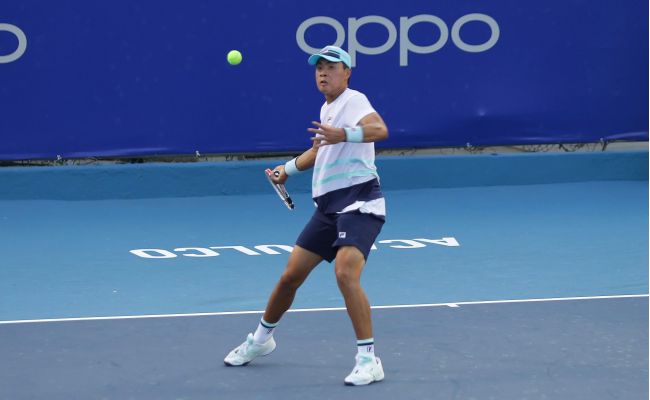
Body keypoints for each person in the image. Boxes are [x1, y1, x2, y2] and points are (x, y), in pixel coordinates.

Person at [224, 45, 389, 386]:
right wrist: (286, 170)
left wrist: (344, 134)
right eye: (319, 67)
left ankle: (368, 359)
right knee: (290, 277)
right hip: (327, 208)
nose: (323, 72)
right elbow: (319, 151)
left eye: (331, 67)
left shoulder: (354, 100)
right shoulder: (328, 109)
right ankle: (261, 340)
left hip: (358, 202)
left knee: (345, 273)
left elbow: (379, 130)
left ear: (347, 73)